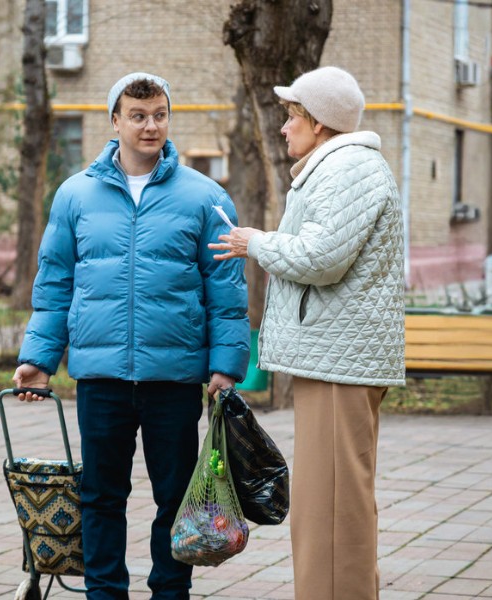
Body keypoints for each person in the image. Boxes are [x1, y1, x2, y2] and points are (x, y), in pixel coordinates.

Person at [13, 72, 251, 600]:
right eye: (138, 116)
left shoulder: (205, 197)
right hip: (101, 377)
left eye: (160, 115)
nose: (150, 126)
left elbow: (227, 291)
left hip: (174, 377)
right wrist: (39, 357)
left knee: (175, 498)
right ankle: (104, 593)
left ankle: (170, 592)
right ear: (115, 120)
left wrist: (226, 364)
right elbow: (55, 284)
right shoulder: (75, 195)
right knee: (100, 496)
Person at [209, 66, 405, 600]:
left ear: (318, 122)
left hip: (340, 362)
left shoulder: (348, 169)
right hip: (335, 358)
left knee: (331, 510)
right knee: (332, 505)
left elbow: (322, 257)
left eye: (292, 115)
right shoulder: (339, 167)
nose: (284, 127)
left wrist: (257, 243)